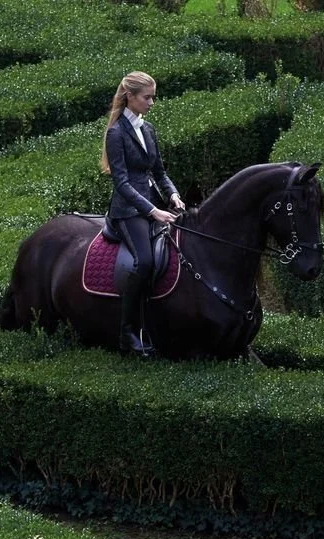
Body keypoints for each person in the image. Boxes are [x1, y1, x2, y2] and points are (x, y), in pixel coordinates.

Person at [101, 71, 185, 356]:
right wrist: (153, 211)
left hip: (153, 204)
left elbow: (159, 172)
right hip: (127, 211)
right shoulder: (116, 134)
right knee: (145, 262)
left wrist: (172, 194)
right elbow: (122, 184)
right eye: (147, 98)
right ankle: (128, 334)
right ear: (130, 97)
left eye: (153, 97)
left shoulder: (147, 130)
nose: (151, 103)